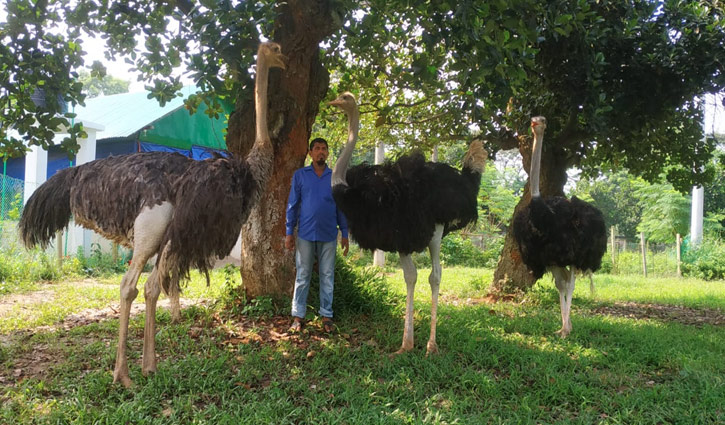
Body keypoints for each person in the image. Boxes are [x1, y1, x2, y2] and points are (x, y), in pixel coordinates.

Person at [285, 137, 349, 333]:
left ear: (328, 153)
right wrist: (289, 232)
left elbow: (341, 208)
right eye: (317, 149)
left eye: (324, 149)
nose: (321, 152)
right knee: (303, 275)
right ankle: (298, 316)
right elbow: (292, 205)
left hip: (329, 234)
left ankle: (326, 316)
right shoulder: (300, 176)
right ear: (310, 153)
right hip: (305, 233)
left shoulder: (335, 177)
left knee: (327, 275)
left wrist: (344, 233)